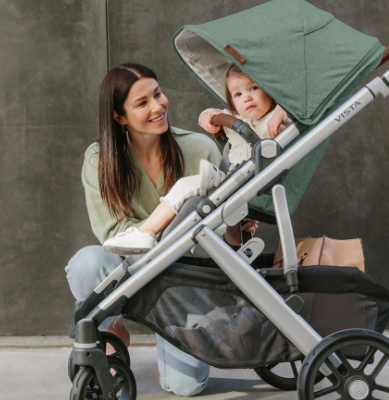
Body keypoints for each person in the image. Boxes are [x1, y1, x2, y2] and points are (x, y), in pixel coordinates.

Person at [65, 63, 257, 397]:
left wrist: (237, 227)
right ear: (119, 117)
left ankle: (171, 326)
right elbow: (114, 238)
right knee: (87, 265)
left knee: (186, 386)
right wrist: (175, 207)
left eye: (158, 94)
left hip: (184, 280)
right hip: (131, 271)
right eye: (142, 103)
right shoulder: (100, 159)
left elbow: (220, 240)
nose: (158, 106)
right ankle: (112, 332)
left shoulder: (200, 149)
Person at [101, 64, 290, 256]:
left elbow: (299, 115)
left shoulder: (276, 119)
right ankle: (146, 234)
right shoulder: (240, 119)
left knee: (186, 187)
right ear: (120, 117)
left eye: (254, 88)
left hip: (244, 183)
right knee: (191, 192)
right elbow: (208, 115)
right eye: (237, 94)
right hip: (234, 181)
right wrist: (208, 117)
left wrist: (283, 112)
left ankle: (145, 233)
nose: (247, 97)